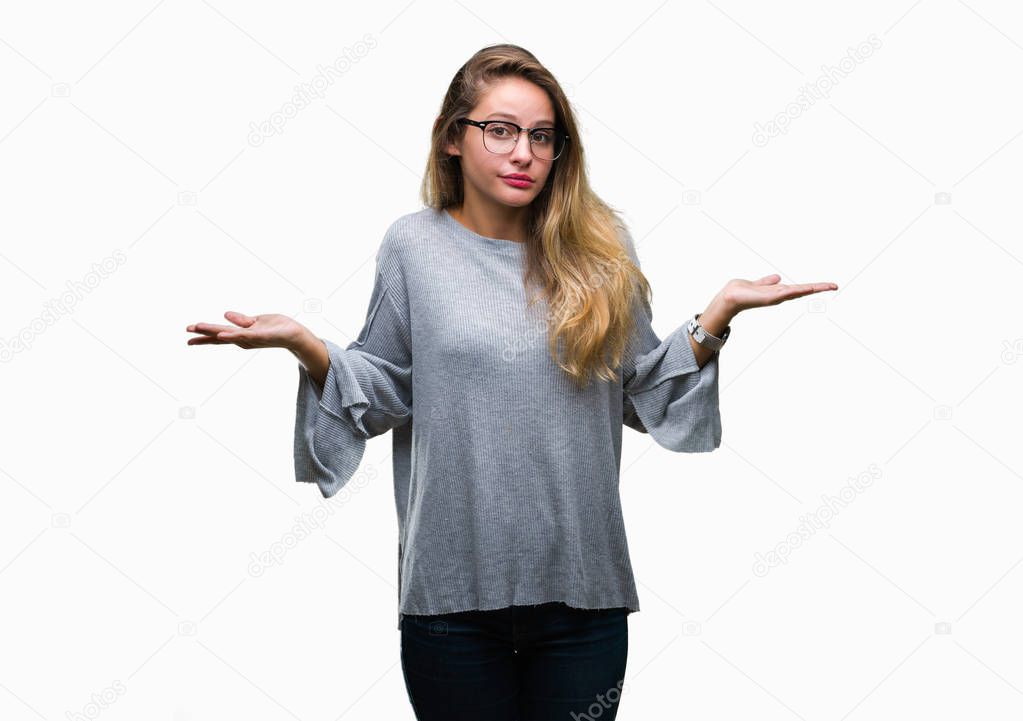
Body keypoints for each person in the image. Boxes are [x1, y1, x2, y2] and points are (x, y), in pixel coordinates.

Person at [186, 43, 837, 721]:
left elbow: (642, 389)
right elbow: (383, 385)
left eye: (541, 135)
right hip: (450, 597)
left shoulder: (600, 246)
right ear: (451, 140)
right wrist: (305, 344)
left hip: (582, 595)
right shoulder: (413, 246)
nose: (522, 152)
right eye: (499, 130)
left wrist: (717, 314)